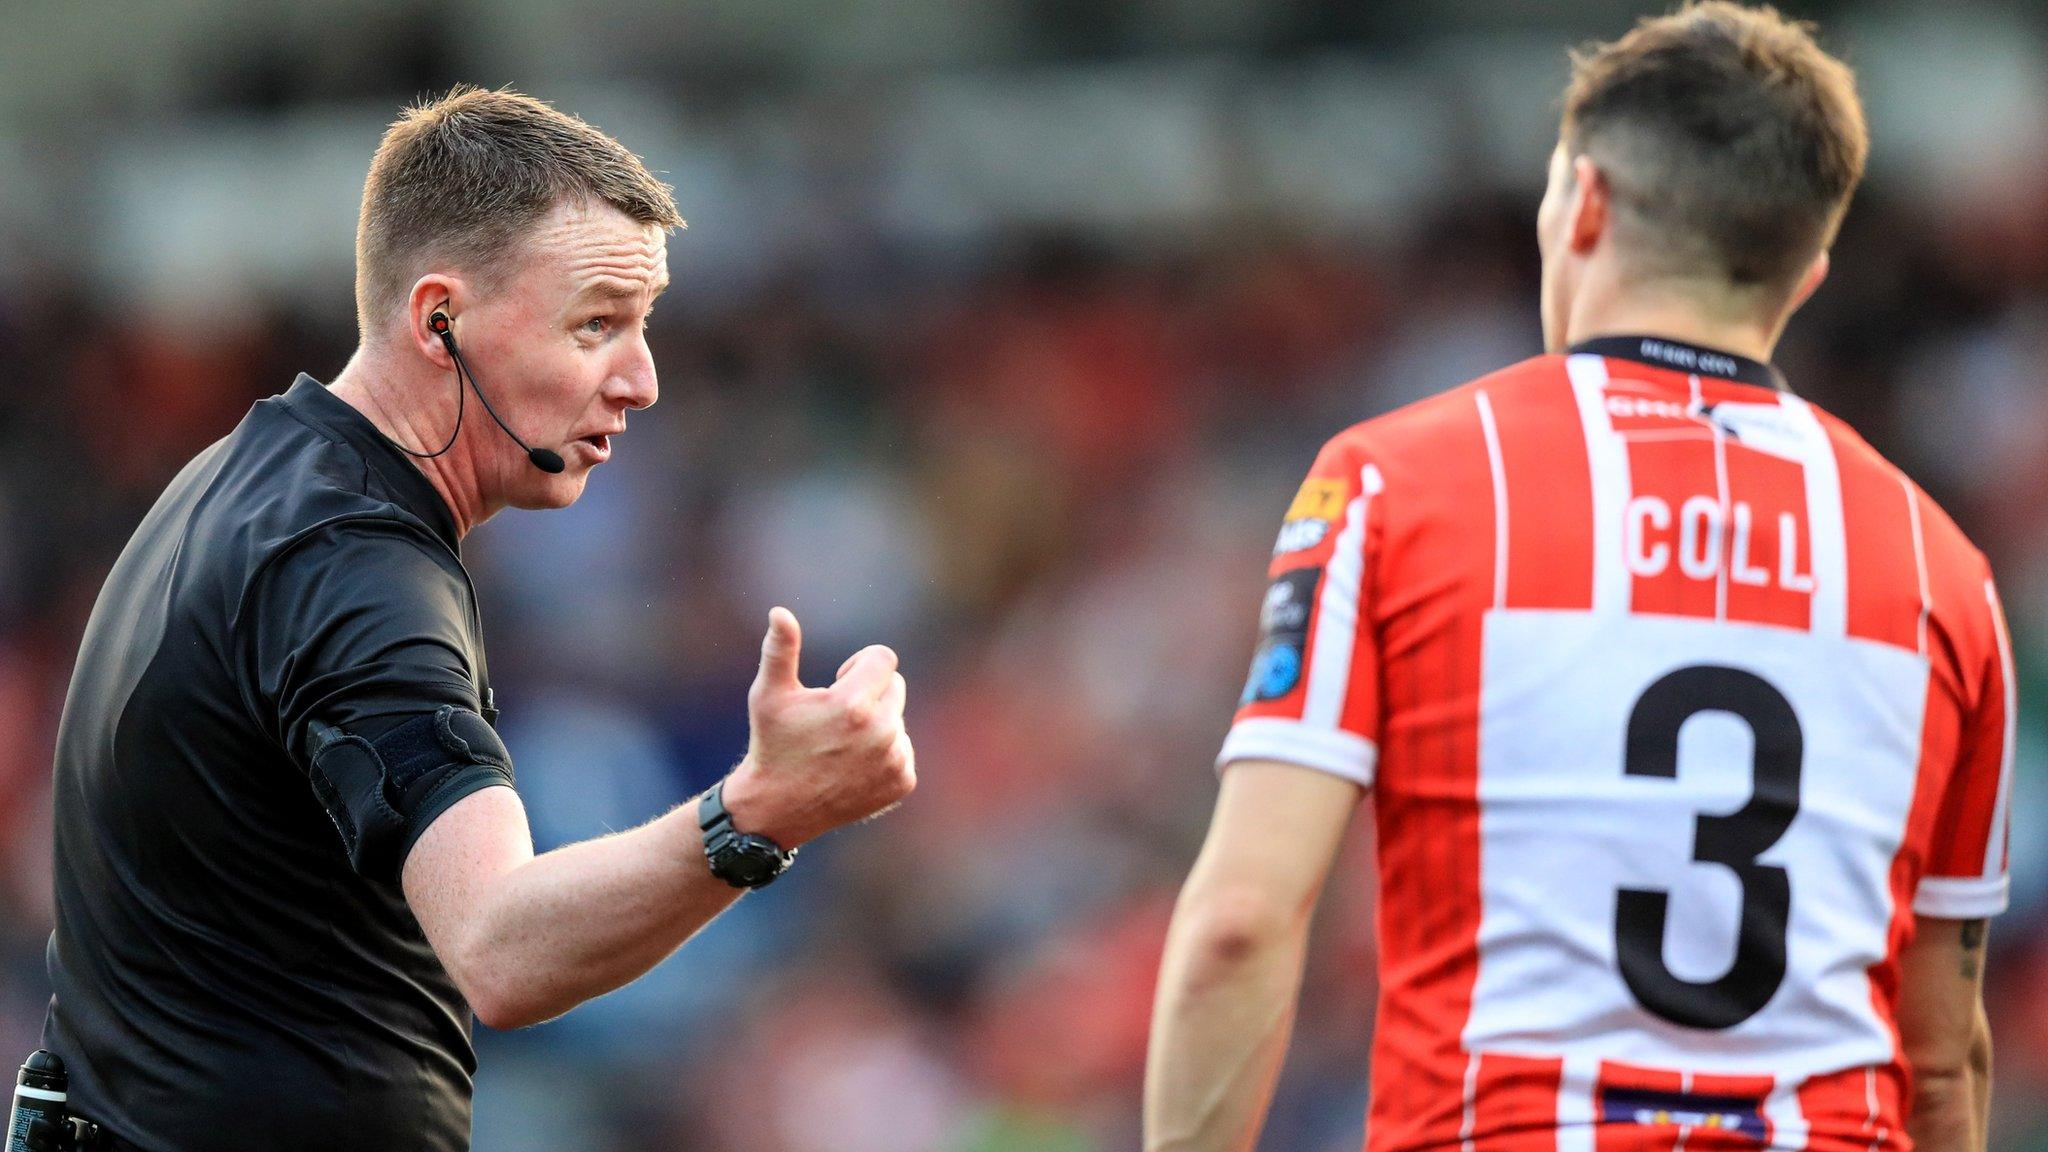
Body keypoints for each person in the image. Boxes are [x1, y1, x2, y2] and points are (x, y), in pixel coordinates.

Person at [1146, 6, 2010, 1152]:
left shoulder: (1396, 487)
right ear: (1804, 273)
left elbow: (1240, 928)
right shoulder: (1938, 568)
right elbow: (1941, 1058)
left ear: (1583, 204)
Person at [37, 86, 916, 1152]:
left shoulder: (248, 483)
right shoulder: (350, 563)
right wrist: (764, 812)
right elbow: (502, 949)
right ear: (438, 321)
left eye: (640, 328)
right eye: (596, 323)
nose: (639, 380)